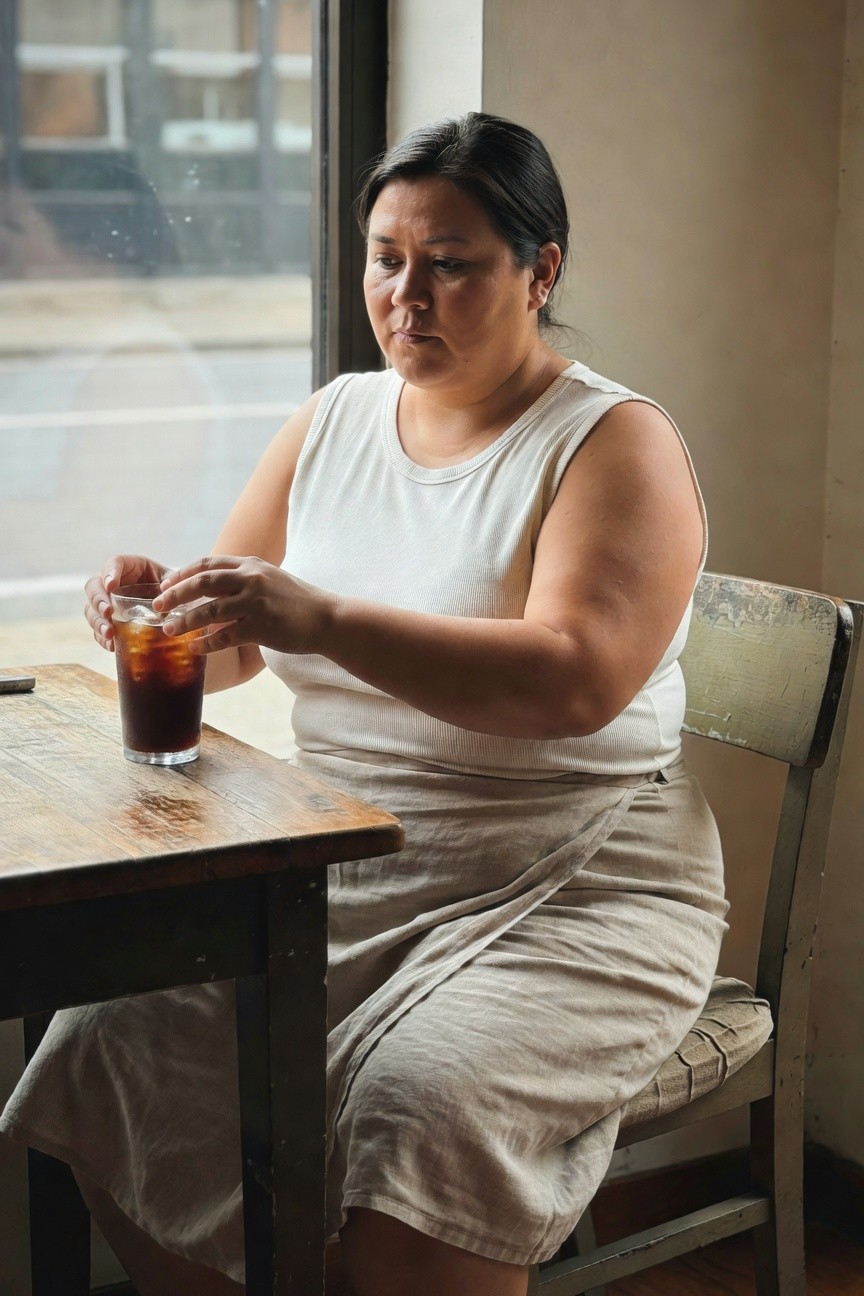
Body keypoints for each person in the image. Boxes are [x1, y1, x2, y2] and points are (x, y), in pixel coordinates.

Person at [1, 112, 727, 1296]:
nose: (407, 294)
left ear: (540, 272)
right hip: (348, 851)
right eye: (387, 259)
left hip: (577, 876)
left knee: (416, 1106)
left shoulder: (610, 443)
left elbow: (580, 680)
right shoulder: (332, 419)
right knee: (112, 1037)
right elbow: (232, 649)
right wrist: (159, 616)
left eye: (451, 263)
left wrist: (322, 618)